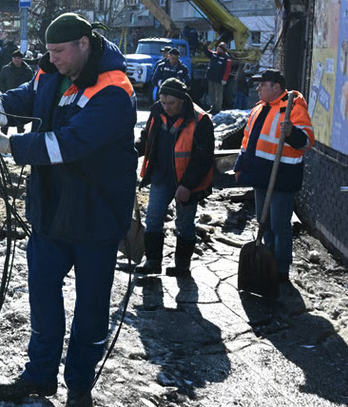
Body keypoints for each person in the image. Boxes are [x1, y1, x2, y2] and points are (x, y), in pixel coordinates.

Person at [0, 12, 137, 407]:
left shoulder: (114, 91)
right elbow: (22, 101)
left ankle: (79, 389)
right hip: (51, 213)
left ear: (84, 44)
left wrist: (10, 147)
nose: (52, 59)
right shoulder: (50, 73)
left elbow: (70, 144)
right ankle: (39, 376)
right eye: (48, 52)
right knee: (43, 299)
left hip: (95, 217)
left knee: (90, 309)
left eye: (59, 51)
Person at [232, 69, 315, 281]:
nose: (257, 88)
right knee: (264, 222)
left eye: (262, 84)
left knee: (280, 226)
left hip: (282, 178)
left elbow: (306, 142)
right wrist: (240, 167)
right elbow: (247, 141)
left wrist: (292, 133)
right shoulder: (259, 109)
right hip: (260, 176)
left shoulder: (293, 109)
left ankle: (280, 269)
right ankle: (266, 262)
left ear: (276, 87)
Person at [134, 78, 214, 277]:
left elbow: (203, 158)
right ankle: (152, 262)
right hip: (161, 177)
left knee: (185, 224)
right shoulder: (156, 112)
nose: (167, 107)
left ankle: (182, 266)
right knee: (153, 219)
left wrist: (187, 185)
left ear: (182, 100)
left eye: (171, 103)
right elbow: (146, 139)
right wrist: (130, 152)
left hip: (186, 181)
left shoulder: (200, 119)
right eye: (163, 102)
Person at [205, 41, 232, 112]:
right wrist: (205, 46)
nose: (218, 48)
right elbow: (207, 52)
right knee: (211, 93)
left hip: (219, 79)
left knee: (218, 94)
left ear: (223, 49)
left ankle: (218, 108)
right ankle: (213, 106)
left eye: (220, 47)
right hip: (211, 77)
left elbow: (228, 69)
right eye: (218, 47)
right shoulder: (214, 54)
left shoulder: (226, 57)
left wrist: (224, 79)